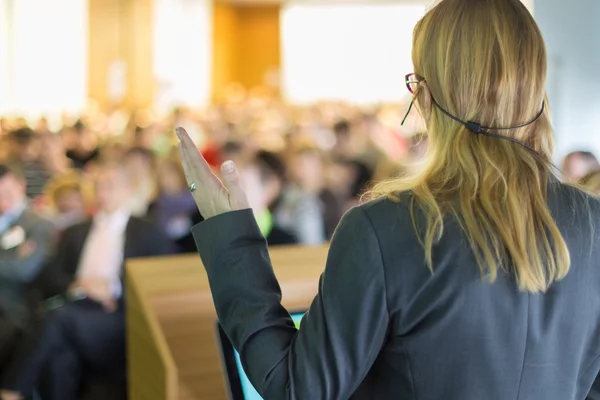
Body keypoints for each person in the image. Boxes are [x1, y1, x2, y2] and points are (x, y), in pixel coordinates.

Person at [175, 0, 600, 398]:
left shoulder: (385, 230)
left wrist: (230, 236)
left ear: (426, 97)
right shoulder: (593, 222)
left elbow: (299, 388)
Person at [3, 163, 172, 400]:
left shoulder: (148, 233)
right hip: (76, 304)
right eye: (98, 187)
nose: (103, 194)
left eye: (110, 187)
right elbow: (51, 275)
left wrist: (113, 290)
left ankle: (12, 389)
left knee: (56, 318)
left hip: (116, 314)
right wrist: (76, 283)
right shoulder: (77, 231)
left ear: (127, 190)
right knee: (60, 354)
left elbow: (159, 285)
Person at [0, 164, 54, 399]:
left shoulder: (39, 223)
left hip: (16, 305)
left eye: (7, 192)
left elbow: (25, 270)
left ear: (21, 186)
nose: (2, 199)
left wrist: (15, 262)